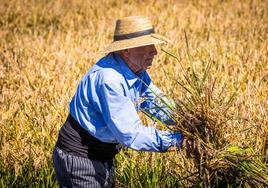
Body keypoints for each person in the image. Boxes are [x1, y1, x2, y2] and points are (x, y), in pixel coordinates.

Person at [52, 16, 183, 188]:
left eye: (154, 44)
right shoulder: (110, 80)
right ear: (126, 50)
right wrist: (178, 139)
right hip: (80, 158)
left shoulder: (136, 71)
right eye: (147, 45)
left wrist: (187, 120)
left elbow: (155, 103)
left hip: (104, 155)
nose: (155, 51)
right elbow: (131, 134)